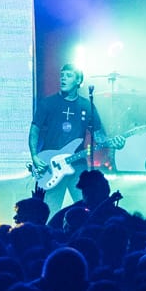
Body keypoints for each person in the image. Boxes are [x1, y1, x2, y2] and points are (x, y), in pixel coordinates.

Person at [30, 64, 107, 210]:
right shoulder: (47, 103)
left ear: (78, 81)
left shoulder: (87, 106)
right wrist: (34, 156)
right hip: (51, 165)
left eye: (69, 75)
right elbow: (34, 130)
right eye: (62, 75)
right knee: (50, 211)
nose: (63, 78)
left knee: (87, 207)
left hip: (78, 164)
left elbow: (99, 136)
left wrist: (114, 143)